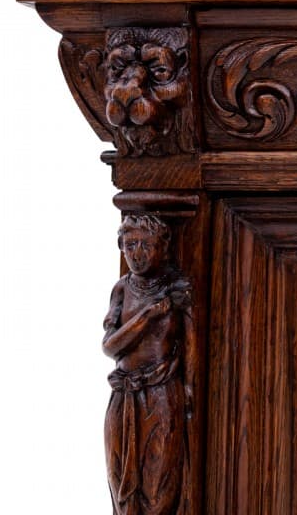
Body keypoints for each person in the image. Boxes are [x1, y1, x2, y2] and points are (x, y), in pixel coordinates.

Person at [102, 214, 195, 515]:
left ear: (162, 248)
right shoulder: (122, 289)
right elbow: (110, 346)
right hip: (124, 394)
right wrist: (148, 316)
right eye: (130, 245)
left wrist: (190, 386)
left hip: (161, 392)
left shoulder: (176, 288)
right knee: (121, 483)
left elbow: (191, 338)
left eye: (146, 245)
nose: (137, 254)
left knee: (158, 487)